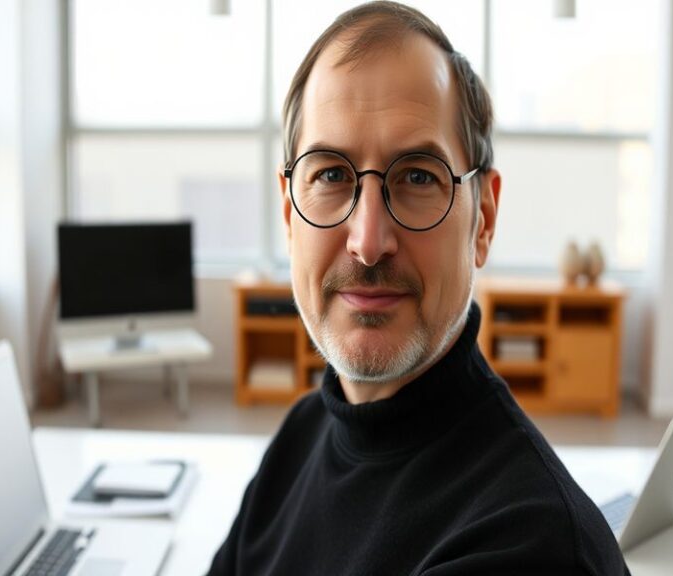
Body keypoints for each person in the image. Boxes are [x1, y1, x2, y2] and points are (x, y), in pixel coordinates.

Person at [208, 2, 630, 574]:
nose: (369, 240)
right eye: (331, 174)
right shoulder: (303, 433)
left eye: (416, 178)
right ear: (289, 217)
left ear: (482, 218)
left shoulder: (530, 545)